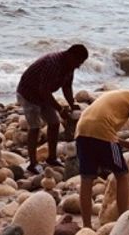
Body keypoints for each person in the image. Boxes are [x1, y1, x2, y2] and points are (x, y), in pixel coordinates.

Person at [75, 88, 129, 229]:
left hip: (81, 131)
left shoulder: (117, 95)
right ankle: (122, 222)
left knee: (86, 179)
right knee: (122, 174)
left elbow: (98, 123)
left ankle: (86, 226)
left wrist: (124, 144)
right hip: (103, 132)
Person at [16, 44, 89, 173]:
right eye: (78, 62)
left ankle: (52, 157)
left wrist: (72, 103)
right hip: (28, 94)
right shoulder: (52, 63)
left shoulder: (70, 66)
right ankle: (33, 163)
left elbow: (67, 87)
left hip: (43, 95)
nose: (78, 66)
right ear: (70, 56)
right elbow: (44, 90)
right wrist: (60, 109)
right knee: (35, 127)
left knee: (54, 123)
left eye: (81, 63)